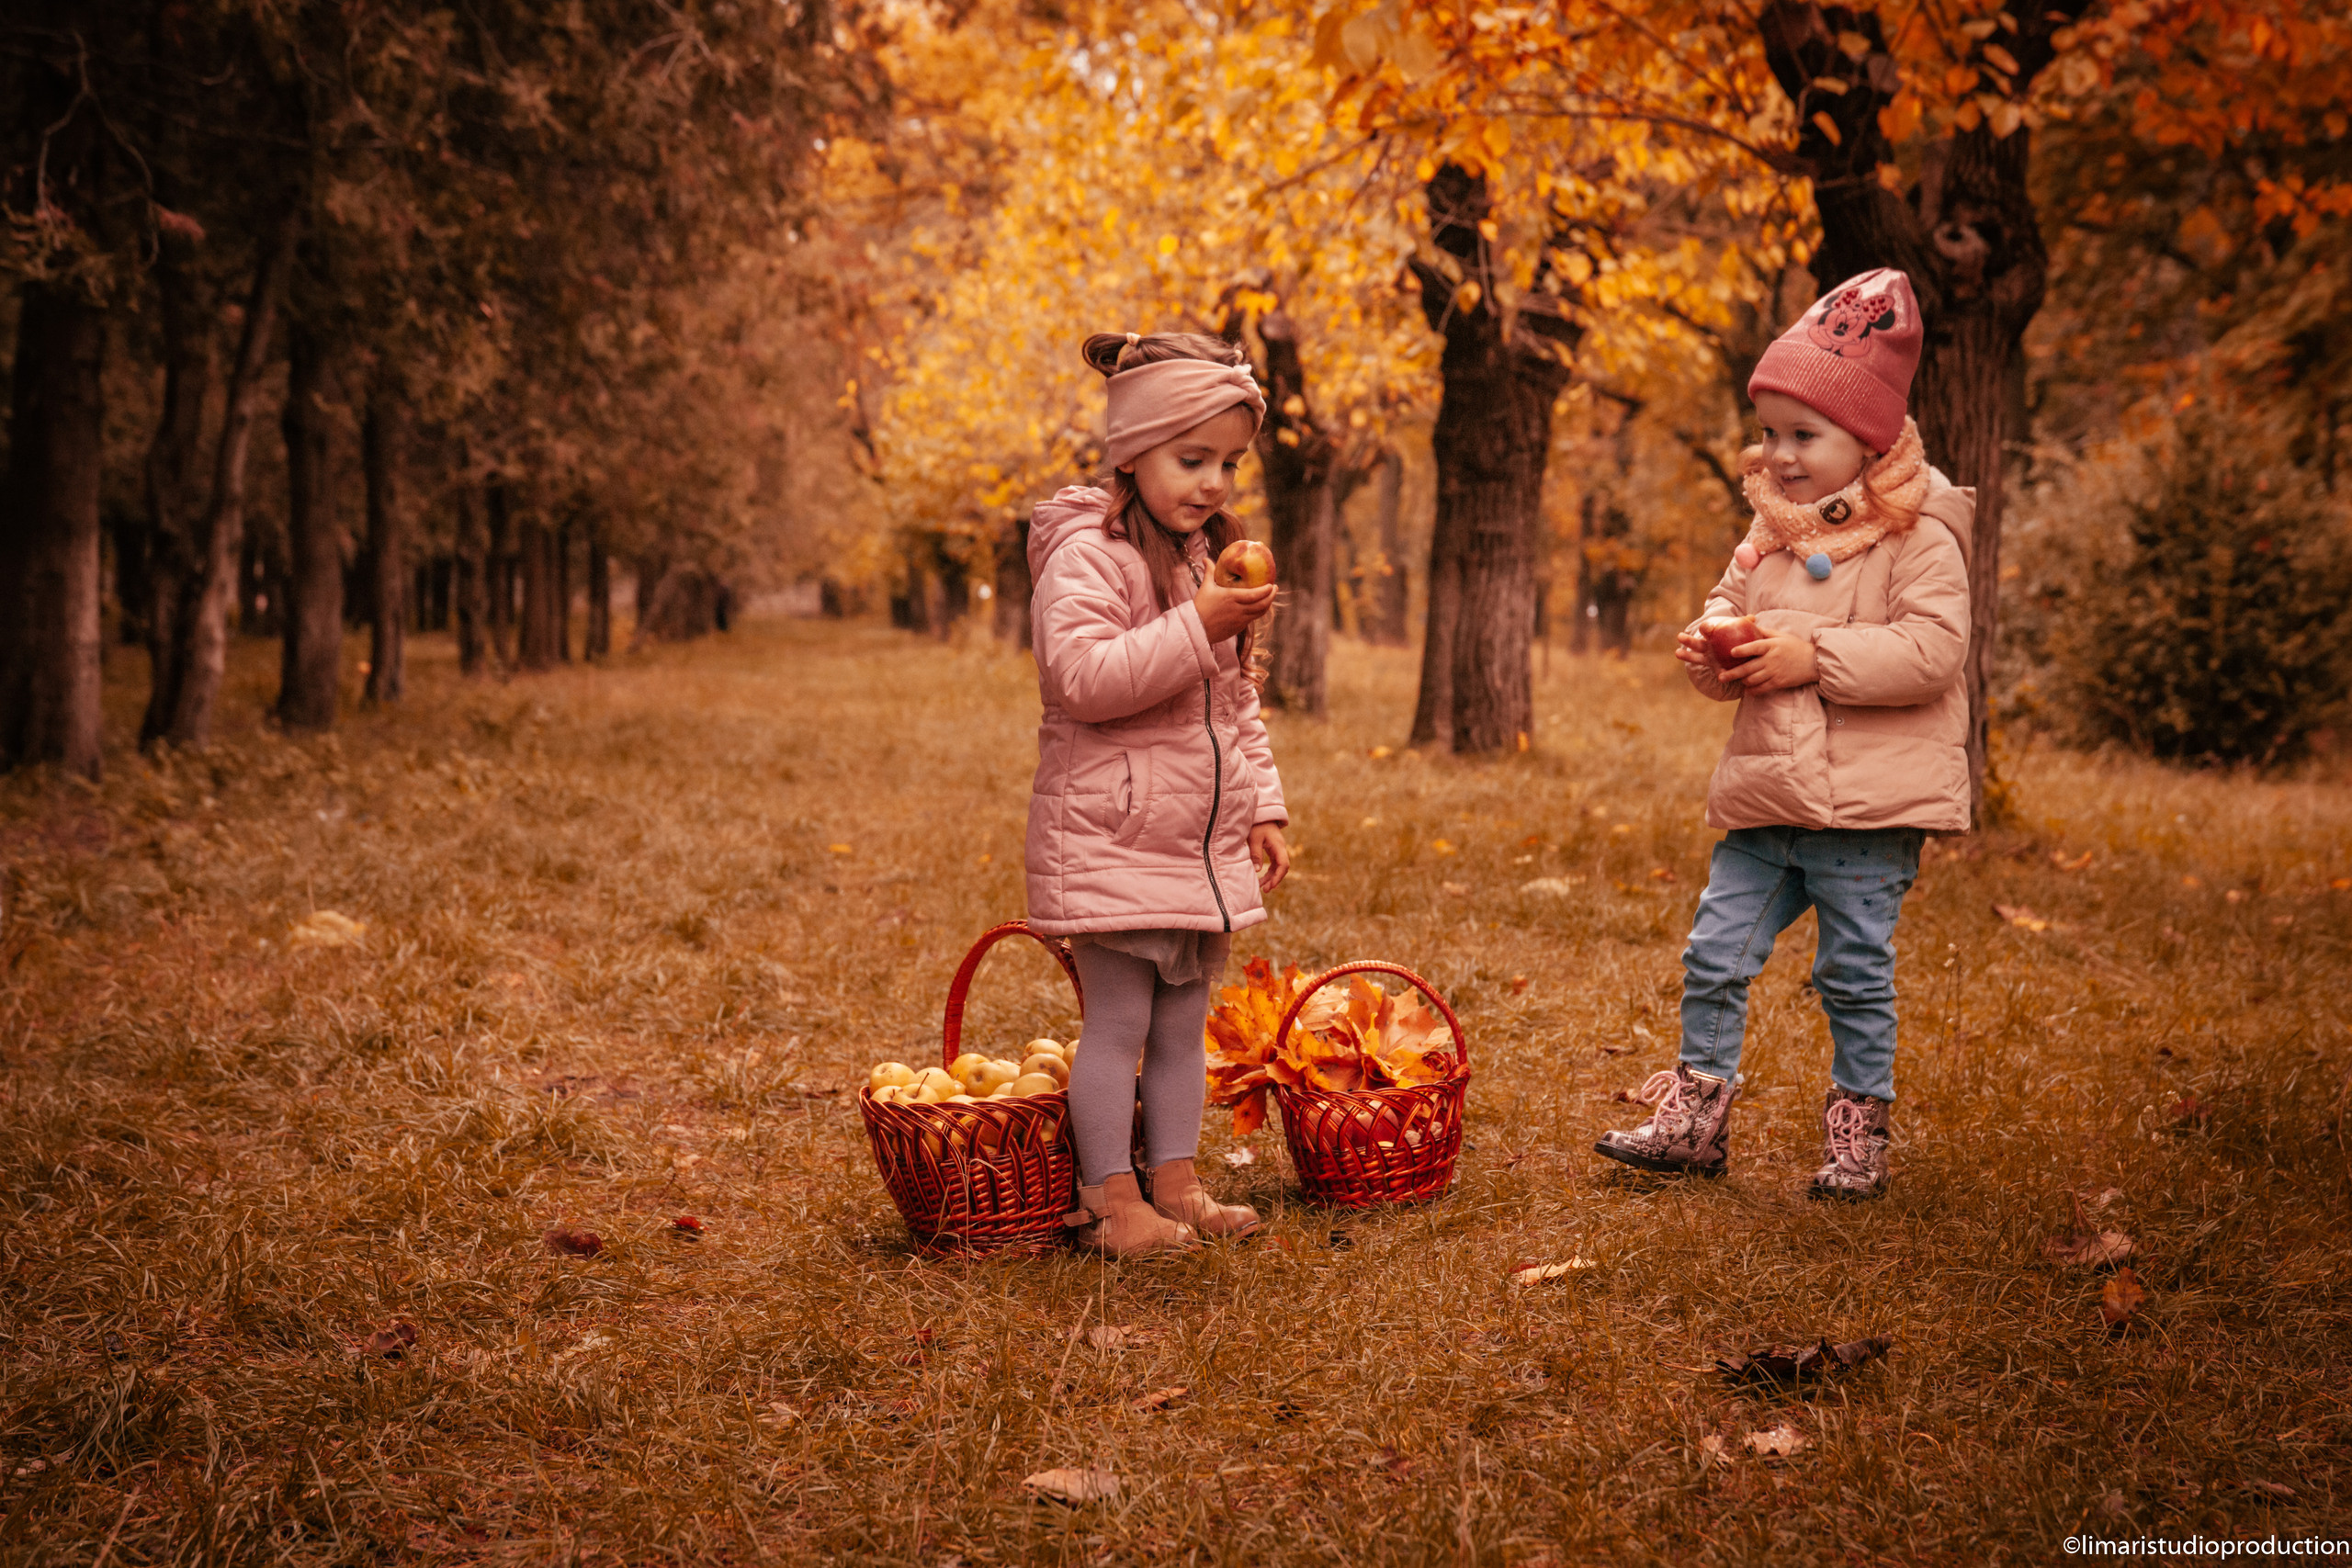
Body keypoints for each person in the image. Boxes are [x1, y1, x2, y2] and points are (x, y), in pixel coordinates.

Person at [1593, 268, 1975, 1201]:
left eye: (1804, 435)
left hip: (1868, 811)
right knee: (1714, 952)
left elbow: (1932, 651)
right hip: (1770, 796)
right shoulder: (1766, 537)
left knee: (1852, 972)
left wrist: (1813, 655)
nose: (1781, 455)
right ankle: (1695, 1115)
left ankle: (1857, 1134)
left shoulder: (1919, 536)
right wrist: (1711, 648)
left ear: (1869, 438)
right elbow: (1727, 609)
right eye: (1769, 433)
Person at [1024, 330, 1291, 1256]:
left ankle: (1174, 1181)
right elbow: (1084, 680)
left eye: (1229, 463)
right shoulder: (1088, 556)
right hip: (1116, 830)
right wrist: (1198, 621)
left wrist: (1263, 804)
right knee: (1118, 1022)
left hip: (1194, 842)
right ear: (1132, 452)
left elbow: (1233, 701)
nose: (1213, 482)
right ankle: (1109, 1200)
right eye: (1192, 458)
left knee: (1182, 1023)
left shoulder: (1201, 557)